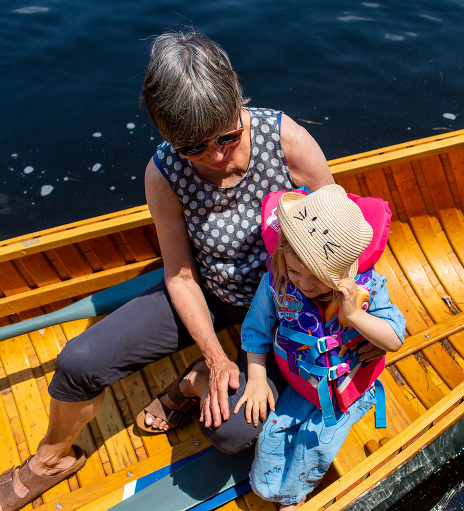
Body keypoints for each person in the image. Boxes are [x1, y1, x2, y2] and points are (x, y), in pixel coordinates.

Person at [0, 28, 334, 511]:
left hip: (289, 301)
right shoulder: (163, 173)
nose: (217, 157)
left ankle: (189, 383)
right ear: (166, 135)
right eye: (195, 148)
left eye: (228, 137)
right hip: (209, 290)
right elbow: (179, 276)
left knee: (233, 431)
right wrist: (219, 357)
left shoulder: (288, 142)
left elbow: (339, 238)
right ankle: (51, 460)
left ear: (239, 103)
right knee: (78, 362)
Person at [236, 184, 405, 510]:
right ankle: (268, 489)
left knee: (315, 446)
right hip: (303, 384)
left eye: (318, 278)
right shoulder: (277, 280)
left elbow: (394, 339)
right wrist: (257, 377)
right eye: (297, 272)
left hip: (347, 388)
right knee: (271, 435)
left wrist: (354, 315)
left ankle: (292, 499)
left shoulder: (366, 288)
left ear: (344, 271)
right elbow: (256, 329)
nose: (304, 284)